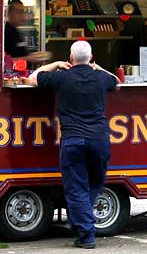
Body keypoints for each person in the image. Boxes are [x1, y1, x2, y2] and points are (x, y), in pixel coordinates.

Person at [24, 40, 119, 249]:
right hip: (99, 140)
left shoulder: (62, 77)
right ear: (91, 58)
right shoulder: (100, 77)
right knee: (93, 184)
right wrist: (98, 67)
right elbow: (116, 81)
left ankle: (86, 234)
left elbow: (31, 78)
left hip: (73, 140)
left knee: (77, 189)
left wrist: (55, 63)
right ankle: (82, 221)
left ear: (71, 58)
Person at [4, 0, 49, 64]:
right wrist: (29, 59)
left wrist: (34, 56)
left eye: (23, 12)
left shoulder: (15, 31)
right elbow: (3, 61)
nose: (23, 15)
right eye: (19, 12)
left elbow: (20, 53)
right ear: (9, 13)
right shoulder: (5, 32)